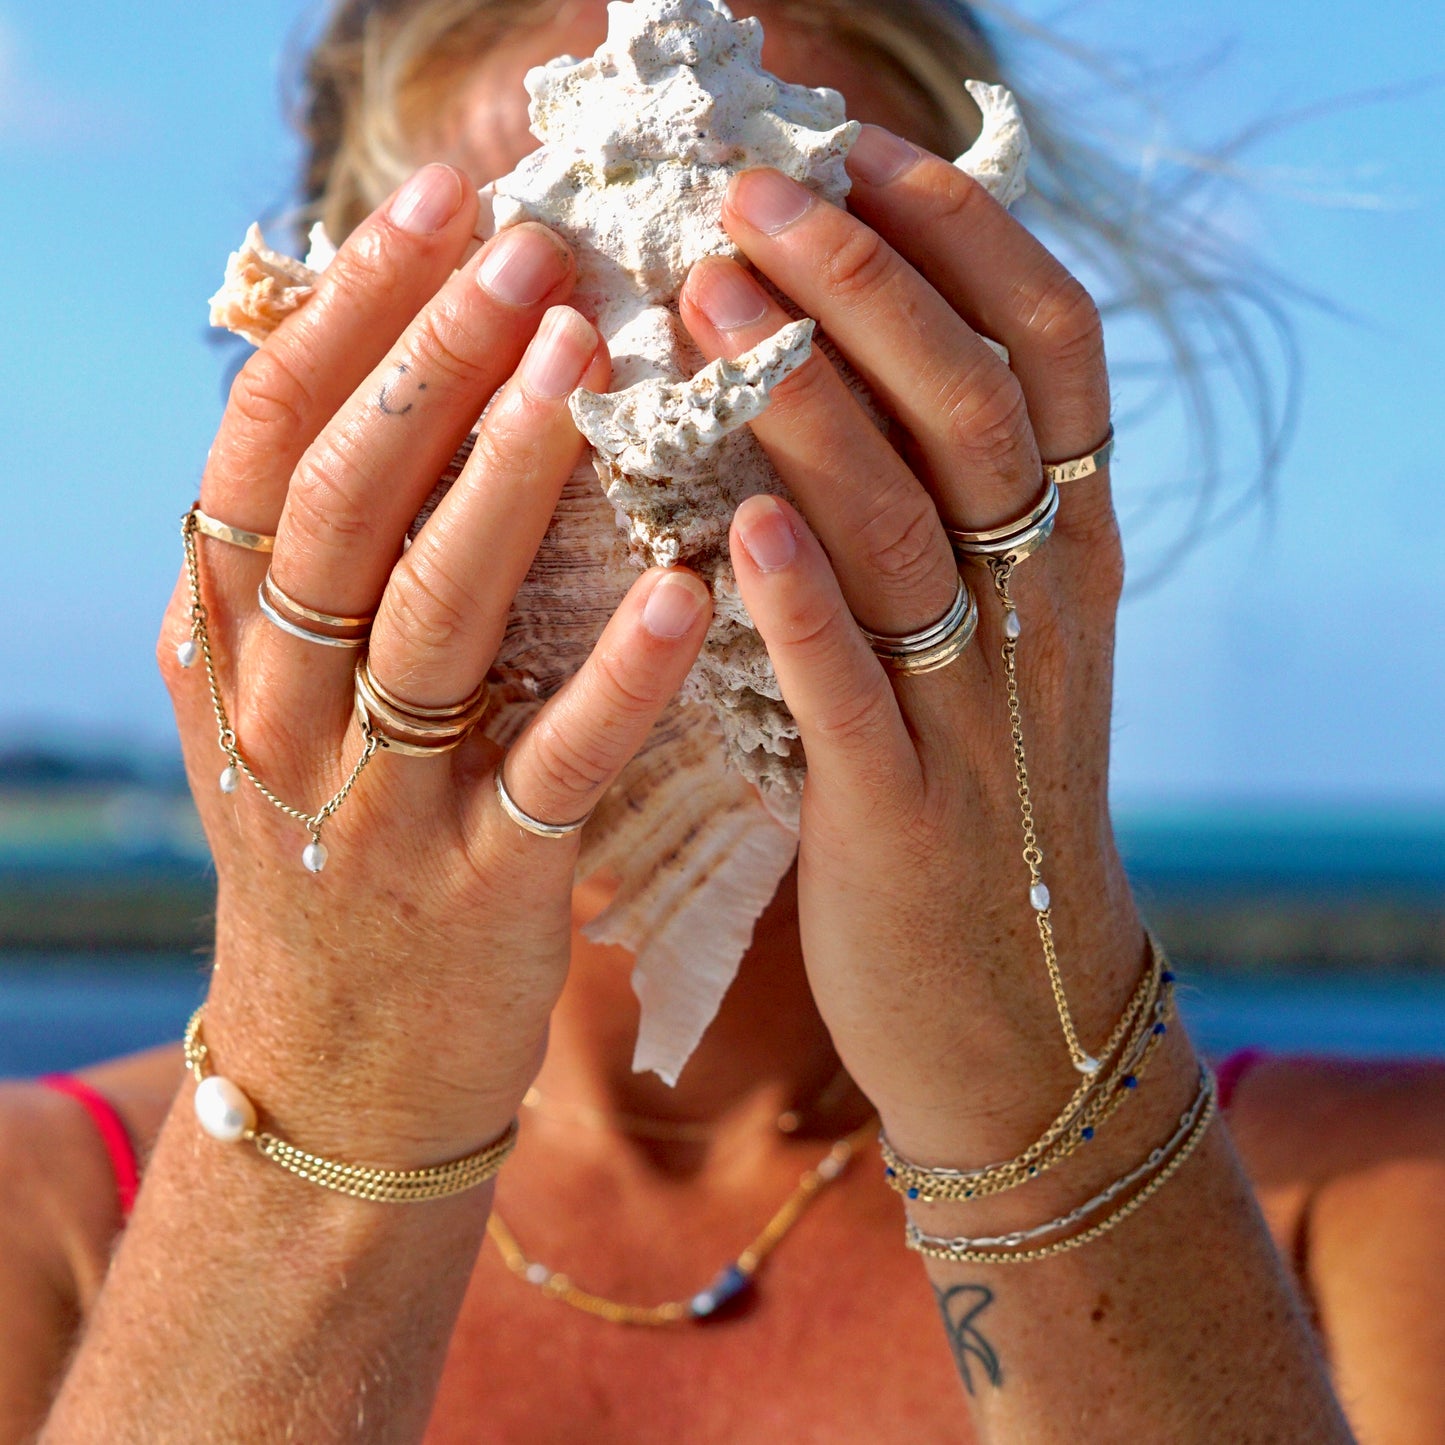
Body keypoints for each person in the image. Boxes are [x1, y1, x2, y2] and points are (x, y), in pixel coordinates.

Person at [2, 1, 1442, 1440]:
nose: (671, 384)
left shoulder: (1389, 1197)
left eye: (823, 289)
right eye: (515, 322)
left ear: (976, 374)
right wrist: (333, 1100)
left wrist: (1027, 1069)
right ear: (327, 389)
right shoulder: (45, 1219)